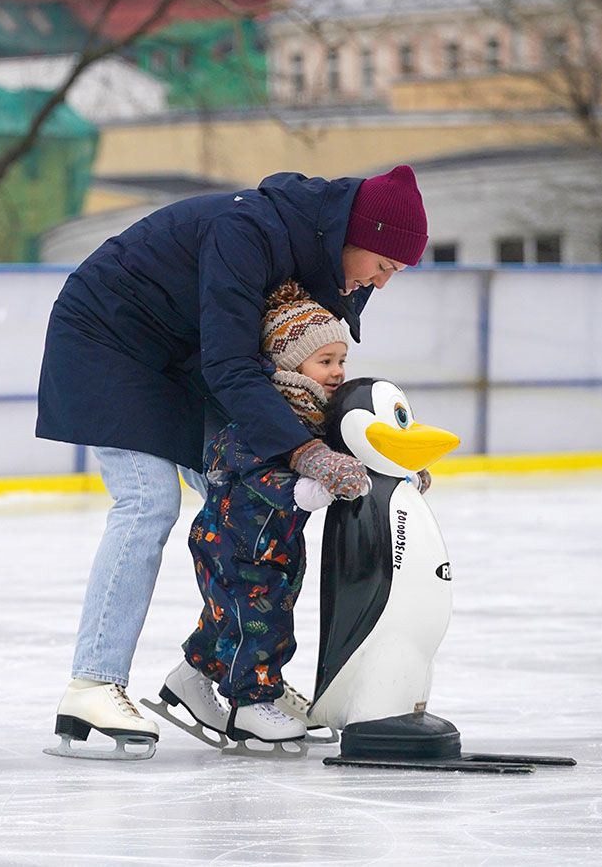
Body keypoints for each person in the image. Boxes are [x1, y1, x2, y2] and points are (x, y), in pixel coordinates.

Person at [36, 165, 429, 757]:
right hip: (109, 340)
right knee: (148, 502)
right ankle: (93, 682)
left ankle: (208, 674)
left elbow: (306, 382)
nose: (383, 281)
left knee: (249, 506)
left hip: (184, 357)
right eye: (384, 265)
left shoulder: (336, 271)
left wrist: (375, 455)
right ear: (357, 232)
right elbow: (232, 366)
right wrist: (304, 451)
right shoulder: (249, 231)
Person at [169, 282, 351, 746]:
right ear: (292, 364)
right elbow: (247, 469)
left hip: (273, 546)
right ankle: (253, 702)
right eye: (325, 362)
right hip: (232, 541)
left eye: (340, 360)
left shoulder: (317, 416)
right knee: (258, 622)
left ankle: (189, 677)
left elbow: (352, 451)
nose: (336, 372)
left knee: (233, 617)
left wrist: (399, 471)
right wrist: (301, 490)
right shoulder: (263, 412)